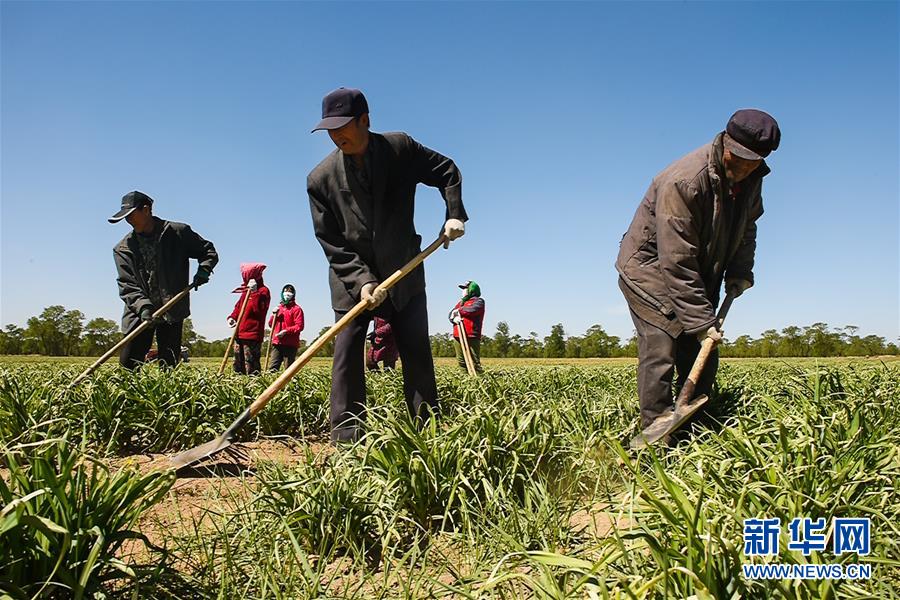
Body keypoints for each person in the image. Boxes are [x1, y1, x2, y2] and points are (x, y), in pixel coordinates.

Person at [307, 87, 467, 443]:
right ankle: (348, 439)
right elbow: (331, 242)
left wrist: (453, 214)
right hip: (351, 279)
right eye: (330, 130)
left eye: (343, 126)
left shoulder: (400, 149)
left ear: (365, 120)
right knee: (347, 356)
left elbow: (447, 170)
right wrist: (362, 281)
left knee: (415, 350)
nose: (337, 136)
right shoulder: (320, 180)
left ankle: (427, 432)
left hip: (403, 268)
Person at [616, 109, 780, 439]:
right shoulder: (685, 180)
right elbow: (675, 260)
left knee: (703, 353)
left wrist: (739, 271)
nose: (748, 167)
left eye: (756, 161)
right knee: (663, 346)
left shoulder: (750, 180)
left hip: (699, 270)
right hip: (649, 271)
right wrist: (702, 323)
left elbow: (747, 227)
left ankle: (696, 428)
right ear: (726, 144)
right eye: (743, 158)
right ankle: (656, 435)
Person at [110, 190, 217, 369]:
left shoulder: (177, 233)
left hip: (171, 308)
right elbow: (127, 284)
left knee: (169, 363)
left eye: (131, 215)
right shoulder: (123, 248)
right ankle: (127, 396)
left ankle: (167, 396)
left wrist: (205, 269)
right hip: (139, 312)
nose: (128, 220)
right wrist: (143, 307)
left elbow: (207, 250)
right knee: (129, 364)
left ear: (146, 210)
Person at [227, 262, 270, 375]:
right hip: (239, 332)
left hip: (252, 334)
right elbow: (238, 308)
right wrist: (232, 317)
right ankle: (238, 384)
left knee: (251, 363)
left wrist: (255, 293)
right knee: (238, 362)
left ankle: (253, 387)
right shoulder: (245, 291)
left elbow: (260, 311)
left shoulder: (263, 291)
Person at [449, 280, 485, 373]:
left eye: (465, 289)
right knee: (461, 362)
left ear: (471, 289)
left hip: (471, 335)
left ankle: (478, 379)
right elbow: (451, 313)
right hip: (458, 335)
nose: (463, 291)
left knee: (474, 362)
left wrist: (459, 311)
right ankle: (464, 380)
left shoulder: (479, 301)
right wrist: (452, 318)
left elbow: (472, 310)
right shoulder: (461, 303)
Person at [268, 283, 305, 371]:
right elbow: (270, 324)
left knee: (289, 369)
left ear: (293, 294)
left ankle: (289, 384)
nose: (287, 294)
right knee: (273, 367)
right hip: (277, 343)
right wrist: (274, 315)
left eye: (290, 292)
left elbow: (299, 326)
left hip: (290, 344)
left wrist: (286, 331)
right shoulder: (279, 308)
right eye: (285, 292)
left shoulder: (297, 309)